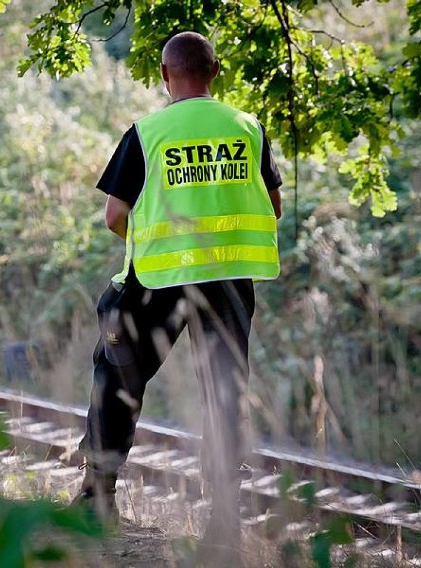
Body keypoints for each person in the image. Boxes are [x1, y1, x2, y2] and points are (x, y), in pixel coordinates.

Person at [72, 30, 283, 550]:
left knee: (117, 374)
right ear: (216, 72)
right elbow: (273, 206)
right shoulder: (249, 129)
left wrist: (157, 242)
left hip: (158, 279)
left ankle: (97, 496)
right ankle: (226, 522)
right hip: (230, 278)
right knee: (225, 391)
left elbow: (114, 215)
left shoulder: (147, 133)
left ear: (166, 75)